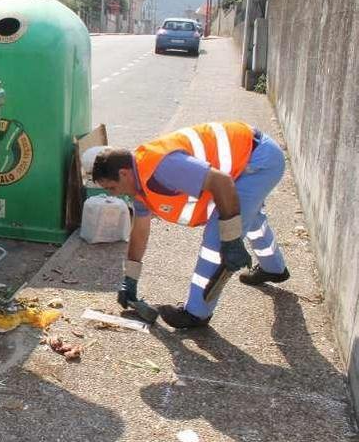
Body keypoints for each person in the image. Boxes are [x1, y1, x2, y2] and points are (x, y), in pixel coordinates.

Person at [91, 121, 290, 328]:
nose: (114, 194)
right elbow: (140, 231)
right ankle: (274, 269)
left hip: (259, 162)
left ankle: (196, 313)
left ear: (124, 173)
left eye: (112, 187)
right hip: (253, 156)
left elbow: (222, 183)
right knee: (251, 219)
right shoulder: (139, 185)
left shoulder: (163, 168)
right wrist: (130, 278)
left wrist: (230, 240)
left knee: (217, 235)